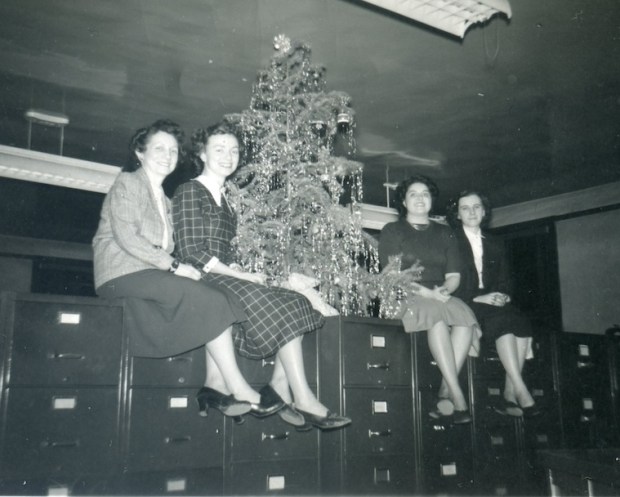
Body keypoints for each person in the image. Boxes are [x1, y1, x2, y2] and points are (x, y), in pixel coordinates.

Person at [93, 119, 279, 422]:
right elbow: (128, 238)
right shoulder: (128, 183)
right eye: (160, 149)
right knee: (210, 299)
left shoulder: (165, 200)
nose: (168, 156)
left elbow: (176, 246)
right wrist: (176, 266)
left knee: (221, 297)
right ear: (140, 153)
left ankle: (213, 387)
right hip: (121, 273)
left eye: (174, 151)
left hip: (149, 275)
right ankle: (238, 387)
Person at [171, 121, 351, 431]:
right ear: (202, 153)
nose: (228, 156)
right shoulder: (190, 190)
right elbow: (191, 252)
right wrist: (237, 276)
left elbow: (222, 253)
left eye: (234, 150)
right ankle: (304, 398)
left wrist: (240, 270)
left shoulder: (226, 201)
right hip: (198, 279)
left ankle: (279, 386)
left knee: (296, 302)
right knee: (277, 301)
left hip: (220, 275)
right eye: (219, 149)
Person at [378, 175, 479, 424]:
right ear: (404, 200)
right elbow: (392, 274)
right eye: (413, 194)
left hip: (438, 293)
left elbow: (454, 274)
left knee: (465, 317)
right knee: (436, 318)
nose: (420, 198)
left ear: (432, 200)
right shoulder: (392, 230)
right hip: (405, 294)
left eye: (425, 193)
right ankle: (458, 396)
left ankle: (444, 390)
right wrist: (429, 294)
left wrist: (445, 289)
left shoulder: (445, 233)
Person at [447, 190, 540, 417]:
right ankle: (519, 391)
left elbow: (506, 279)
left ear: (484, 211)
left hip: (491, 302)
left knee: (518, 320)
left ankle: (509, 394)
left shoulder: (495, 243)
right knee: (502, 320)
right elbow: (448, 280)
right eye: (465, 208)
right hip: (462, 301)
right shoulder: (450, 240)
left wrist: (504, 295)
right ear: (457, 214)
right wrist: (477, 298)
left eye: (477, 207)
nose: (472, 212)